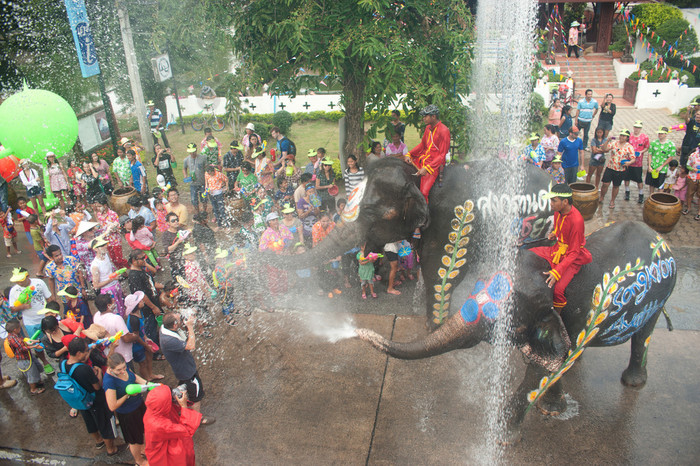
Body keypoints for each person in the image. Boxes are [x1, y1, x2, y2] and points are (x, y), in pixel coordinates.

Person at [529, 183, 591, 312]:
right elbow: (559, 228)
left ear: (565, 202)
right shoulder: (558, 212)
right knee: (531, 253)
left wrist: (557, 272)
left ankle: (558, 318)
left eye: (553, 200)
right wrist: (554, 234)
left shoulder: (577, 221)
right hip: (557, 249)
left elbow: (574, 252)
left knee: (558, 290)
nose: (550, 203)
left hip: (572, 256)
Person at [64, 337, 121, 455]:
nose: (87, 352)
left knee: (90, 421)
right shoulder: (84, 369)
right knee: (104, 424)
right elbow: (97, 386)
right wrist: (99, 372)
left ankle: (98, 441)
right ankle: (111, 449)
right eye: (86, 350)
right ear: (79, 353)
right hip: (96, 401)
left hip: (81, 400)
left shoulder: (64, 364)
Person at [159, 312, 215, 424]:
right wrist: (190, 327)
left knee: (183, 387)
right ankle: (197, 420)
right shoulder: (169, 340)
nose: (182, 320)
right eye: (180, 320)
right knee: (196, 396)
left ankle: (181, 406)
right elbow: (191, 345)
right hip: (187, 372)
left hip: (180, 368)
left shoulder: (164, 328)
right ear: (174, 325)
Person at [103, 352, 149, 466]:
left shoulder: (125, 367)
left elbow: (134, 376)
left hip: (139, 405)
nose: (123, 371)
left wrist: (148, 384)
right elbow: (112, 406)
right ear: (111, 368)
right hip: (127, 414)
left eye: (124, 367)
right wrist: (127, 395)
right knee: (134, 439)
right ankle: (139, 460)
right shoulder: (109, 381)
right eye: (119, 370)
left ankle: (142, 448)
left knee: (144, 430)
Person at [8, 268, 55, 374]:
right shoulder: (14, 290)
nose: (19, 283)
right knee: (36, 344)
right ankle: (45, 362)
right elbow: (12, 308)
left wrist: (53, 313)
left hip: (45, 318)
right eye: (17, 281)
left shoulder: (39, 283)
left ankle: (56, 353)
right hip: (30, 322)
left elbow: (49, 298)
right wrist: (23, 306)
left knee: (53, 337)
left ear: (27, 276)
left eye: (21, 280)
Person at [143, 384, 202, 465]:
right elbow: (186, 429)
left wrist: (175, 400)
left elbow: (167, 407)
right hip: (167, 454)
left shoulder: (154, 409)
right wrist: (184, 406)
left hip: (163, 442)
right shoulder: (159, 425)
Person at [406, 104, 451, 204]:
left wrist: (426, 168)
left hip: (434, 165)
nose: (424, 118)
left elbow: (442, 155)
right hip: (423, 159)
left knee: (423, 193)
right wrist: (410, 154)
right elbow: (422, 145)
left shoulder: (444, 131)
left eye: (426, 116)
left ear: (433, 116)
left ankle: (424, 216)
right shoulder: (428, 128)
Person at [128, 250, 163, 351]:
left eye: (145, 258)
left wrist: (145, 263)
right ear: (134, 260)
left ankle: (157, 344)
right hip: (148, 307)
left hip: (153, 301)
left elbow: (154, 272)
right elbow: (141, 295)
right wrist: (153, 307)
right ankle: (154, 352)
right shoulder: (134, 276)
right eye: (142, 258)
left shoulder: (141, 269)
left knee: (155, 324)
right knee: (150, 328)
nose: (144, 260)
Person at [124, 292, 163, 382]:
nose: (142, 301)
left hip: (142, 341)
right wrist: (146, 345)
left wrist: (146, 338)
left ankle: (151, 374)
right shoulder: (134, 320)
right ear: (136, 305)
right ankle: (147, 379)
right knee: (143, 362)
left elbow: (141, 332)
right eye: (140, 301)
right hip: (137, 345)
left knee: (149, 357)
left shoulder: (140, 312)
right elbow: (136, 337)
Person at [4, 318, 45, 394]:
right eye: (19, 327)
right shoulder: (13, 338)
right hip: (24, 360)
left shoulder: (17, 335)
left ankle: (37, 381)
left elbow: (24, 342)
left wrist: (33, 342)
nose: (20, 328)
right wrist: (34, 347)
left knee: (36, 367)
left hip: (28, 356)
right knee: (31, 373)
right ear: (15, 330)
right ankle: (33, 389)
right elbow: (22, 348)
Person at [600, 129, 635, 209]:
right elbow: (604, 149)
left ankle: (612, 200)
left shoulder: (629, 147)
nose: (621, 137)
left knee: (616, 186)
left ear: (627, 137)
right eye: (621, 135)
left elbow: (633, 158)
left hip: (620, 170)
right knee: (605, 184)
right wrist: (607, 140)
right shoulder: (614, 143)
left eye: (624, 136)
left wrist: (629, 163)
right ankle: (602, 196)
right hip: (610, 167)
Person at [91, 236, 126, 316]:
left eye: (105, 244)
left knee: (123, 309)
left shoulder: (106, 256)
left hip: (116, 286)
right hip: (108, 291)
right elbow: (96, 285)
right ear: (96, 249)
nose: (105, 246)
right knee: (115, 313)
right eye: (102, 245)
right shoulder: (95, 265)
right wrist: (111, 280)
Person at [93, 193, 127, 268]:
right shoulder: (99, 214)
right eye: (97, 206)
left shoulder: (113, 214)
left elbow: (119, 228)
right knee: (113, 259)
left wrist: (112, 228)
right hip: (106, 241)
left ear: (105, 205)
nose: (98, 208)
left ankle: (129, 266)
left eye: (99, 206)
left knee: (119, 259)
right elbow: (100, 225)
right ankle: (122, 272)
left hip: (115, 240)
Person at [645, 127, 676, 196]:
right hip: (653, 167)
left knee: (660, 185)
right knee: (651, 184)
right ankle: (651, 197)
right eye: (659, 133)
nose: (660, 135)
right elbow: (650, 154)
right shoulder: (654, 143)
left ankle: (659, 198)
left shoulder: (671, 145)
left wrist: (661, 166)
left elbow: (670, 157)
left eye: (661, 134)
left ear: (665, 134)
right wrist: (649, 165)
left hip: (662, 169)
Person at [625, 120, 650, 204]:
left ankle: (641, 194)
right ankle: (627, 192)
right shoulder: (629, 136)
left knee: (639, 179)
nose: (636, 129)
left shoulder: (645, 137)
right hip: (628, 161)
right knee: (626, 178)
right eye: (635, 127)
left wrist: (641, 152)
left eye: (638, 128)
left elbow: (647, 147)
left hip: (638, 163)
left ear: (641, 128)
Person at [183, 142, 207, 214]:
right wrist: (185, 175)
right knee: (194, 199)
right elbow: (184, 168)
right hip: (193, 183)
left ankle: (204, 211)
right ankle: (197, 212)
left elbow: (206, 168)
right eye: (191, 152)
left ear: (196, 150)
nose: (192, 153)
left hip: (202, 182)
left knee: (204, 198)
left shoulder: (203, 158)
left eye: (193, 152)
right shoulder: (186, 160)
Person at [161, 212, 187, 278]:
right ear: (168, 223)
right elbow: (168, 250)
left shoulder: (181, 230)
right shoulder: (166, 235)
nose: (176, 222)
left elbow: (187, 242)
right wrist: (178, 242)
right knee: (178, 280)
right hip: (174, 261)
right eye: (173, 221)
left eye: (177, 220)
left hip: (185, 258)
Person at [680, 100, 700, 168]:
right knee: (684, 164)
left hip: (696, 147)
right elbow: (686, 119)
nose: (698, 116)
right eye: (697, 114)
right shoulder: (692, 121)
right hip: (687, 145)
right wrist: (688, 111)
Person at [684, 146, 700, 220]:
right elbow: (688, 165)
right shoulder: (693, 155)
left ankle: (699, 213)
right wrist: (692, 169)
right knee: (690, 193)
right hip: (692, 177)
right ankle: (688, 208)